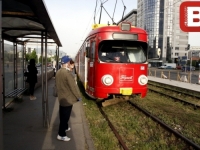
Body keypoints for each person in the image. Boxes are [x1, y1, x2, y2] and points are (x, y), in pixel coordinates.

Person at [56, 56, 82, 141]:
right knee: (65, 117)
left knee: (62, 115)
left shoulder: (58, 72)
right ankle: (61, 135)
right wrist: (78, 96)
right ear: (67, 63)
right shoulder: (67, 74)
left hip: (61, 98)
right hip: (67, 99)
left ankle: (66, 127)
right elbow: (73, 87)